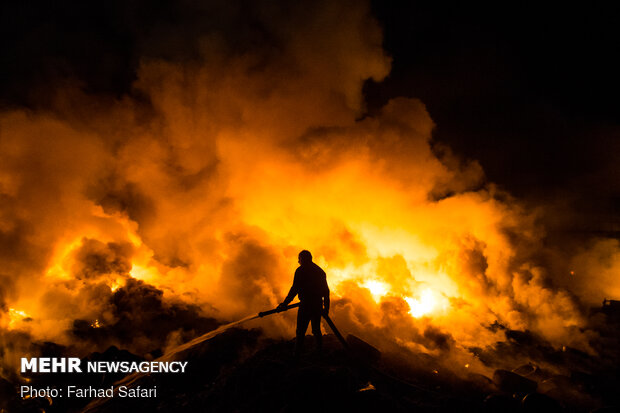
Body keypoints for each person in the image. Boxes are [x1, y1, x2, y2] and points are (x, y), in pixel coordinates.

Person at [277, 250, 330, 356]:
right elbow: (326, 292)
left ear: (304, 259)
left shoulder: (300, 271)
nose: (298, 261)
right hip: (317, 305)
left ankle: (297, 354)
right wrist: (326, 309)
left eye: (299, 259)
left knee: (300, 331)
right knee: (316, 330)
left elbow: (294, 289)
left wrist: (285, 303)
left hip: (306, 305)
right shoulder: (319, 271)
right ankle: (319, 351)